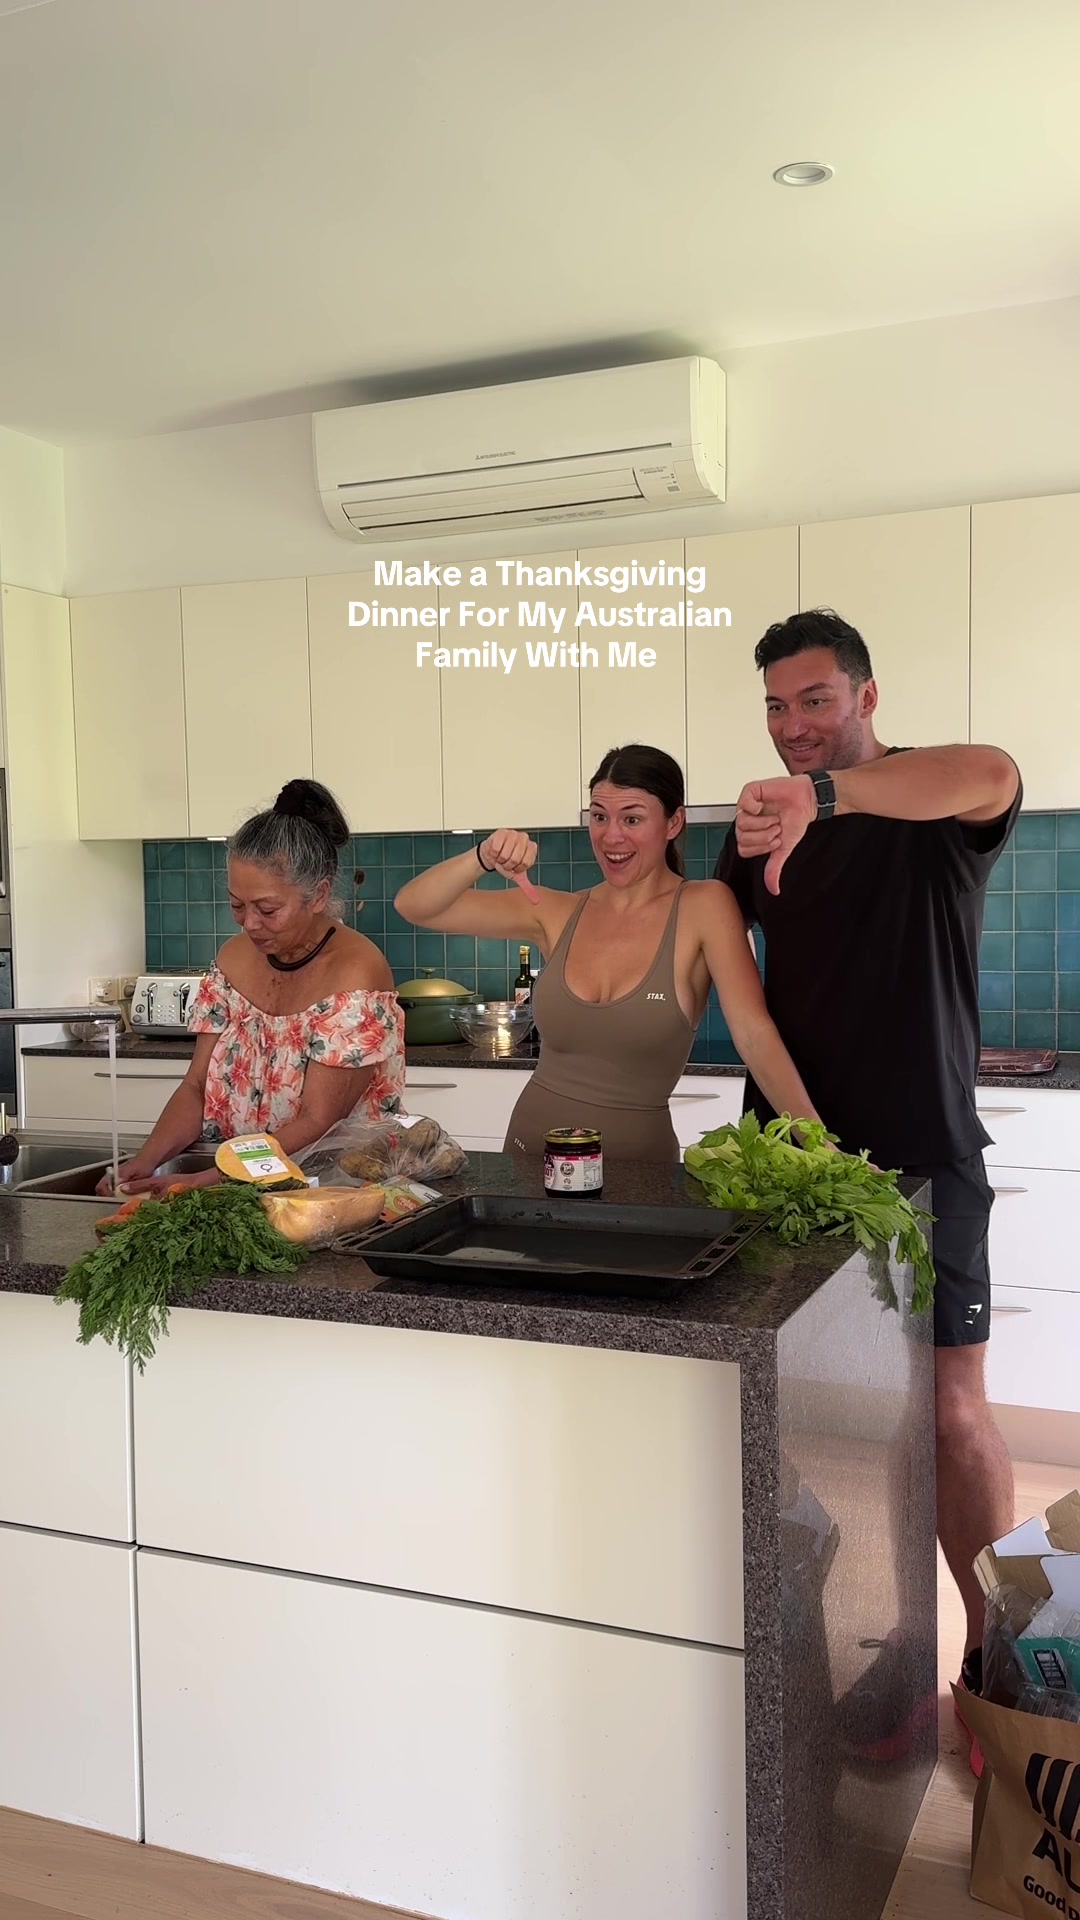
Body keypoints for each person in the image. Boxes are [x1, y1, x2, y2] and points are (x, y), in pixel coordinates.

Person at [714, 607, 1021, 1758]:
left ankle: (991, 1658)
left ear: (867, 696)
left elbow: (994, 771)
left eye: (816, 700)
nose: (793, 726)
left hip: (924, 1151)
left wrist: (826, 797)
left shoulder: (931, 801)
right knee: (770, 1405)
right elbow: (721, 969)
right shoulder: (755, 826)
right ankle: (891, 1636)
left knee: (947, 1413)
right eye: (776, 707)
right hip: (796, 1167)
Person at [395, 742, 829, 1160]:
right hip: (530, 1154)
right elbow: (414, 905)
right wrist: (482, 856)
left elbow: (755, 1035)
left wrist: (819, 1144)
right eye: (599, 816)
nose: (611, 836)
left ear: (673, 823)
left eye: (632, 818)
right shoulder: (553, 910)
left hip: (639, 1171)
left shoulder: (705, 906)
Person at [102, 779, 405, 1196]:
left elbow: (318, 1122)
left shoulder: (357, 975)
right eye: (236, 905)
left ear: (318, 895)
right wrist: (145, 1161)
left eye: (267, 909)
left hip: (331, 1190)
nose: (249, 924)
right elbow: (196, 1087)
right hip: (234, 1183)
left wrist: (206, 1180)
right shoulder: (232, 961)